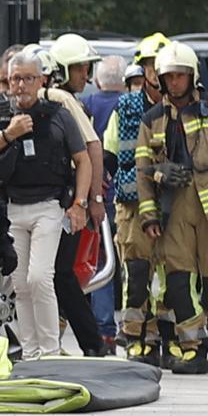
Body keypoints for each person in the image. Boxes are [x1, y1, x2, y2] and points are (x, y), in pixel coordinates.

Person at [0, 50, 92, 359]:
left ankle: (50, 350)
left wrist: (79, 203)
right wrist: (8, 135)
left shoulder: (59, 114)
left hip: (49, 206)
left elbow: (84, 159)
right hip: (11, 207)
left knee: (40, 277)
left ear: (40, 81)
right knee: (19, 283)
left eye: (27, 78)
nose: (20, 85)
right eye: (15, 79)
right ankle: (31, 351)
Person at [135, 42, 208, 374]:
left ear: (192, 75)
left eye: (180, 76)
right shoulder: (152, 119)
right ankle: (192, 346)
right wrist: (149, 213)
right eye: (169, 77)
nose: (175, 82)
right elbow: (142, 171)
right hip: (174, 209)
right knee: (178, 281)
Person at [37, 39, 111, 356]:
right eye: (80, 67)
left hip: (63, 199)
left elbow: (91, 148)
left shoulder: (62, 99)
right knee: (55, 276)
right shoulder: (61, 98)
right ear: (62, 70)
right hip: (57, 197)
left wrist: (93, 200)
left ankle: (90, 345)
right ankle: (76, 344)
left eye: (86, 67)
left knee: (59, 274)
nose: (86, 73)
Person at [104, 33, 172, 365]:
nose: (158, 73)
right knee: (137, 270)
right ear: (142, 69)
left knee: (173, 272)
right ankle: (136, 338)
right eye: (151, 66)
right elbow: (111, 154)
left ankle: (168, 337)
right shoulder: (127, 107)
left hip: (173, 202)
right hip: (132, 202)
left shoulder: (184, 109)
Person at [82, 55, 128, 352]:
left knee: (98, 261)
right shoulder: (130, 106)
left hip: (94, 195)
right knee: (124, 264)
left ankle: (104, 332)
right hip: (124, 197)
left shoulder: (87, 106)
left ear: (97, 80)